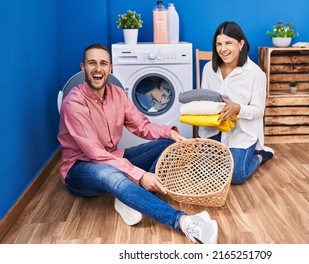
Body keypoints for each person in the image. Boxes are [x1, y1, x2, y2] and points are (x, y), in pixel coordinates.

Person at [57, 44, 218, 244]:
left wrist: (169, 132)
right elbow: (96, 154)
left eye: (103, 63)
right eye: (92, 63)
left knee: (166, 142)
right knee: (110, 174)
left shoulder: (117, 93)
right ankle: (184, 222)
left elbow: (141, 125)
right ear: (83, 68)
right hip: (80, 167)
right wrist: (140, 176)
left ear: (110, 68)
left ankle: (126, 197)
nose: (98, 68)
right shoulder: (73, 103)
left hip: (113, 158)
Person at [198, 21, 274, 184]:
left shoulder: (255, 74)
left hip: (240, 134)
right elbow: (205, 99)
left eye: (228, 43)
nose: (223, 49)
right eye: (219, 44)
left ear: (241, 44)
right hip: (213, 130)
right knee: (204, 173)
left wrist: (238, 108)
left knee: (236, 175)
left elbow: (259, 110)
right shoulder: (209, 69)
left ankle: (261, 155)